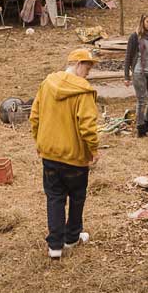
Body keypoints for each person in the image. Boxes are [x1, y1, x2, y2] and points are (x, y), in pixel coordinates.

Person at [29, 48, 101, 259]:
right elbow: (87, 126)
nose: (88, 73)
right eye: (87, 68)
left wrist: (39, 141)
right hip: (74, 158)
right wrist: (93, 149)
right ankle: (71, 238)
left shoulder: (47, 83)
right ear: (78, 64)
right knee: (77, 197)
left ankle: (55, 247)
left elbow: (35, 116)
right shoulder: (83, 92)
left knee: (55, 198)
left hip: (50, 154)